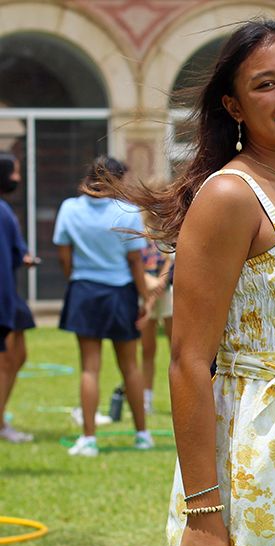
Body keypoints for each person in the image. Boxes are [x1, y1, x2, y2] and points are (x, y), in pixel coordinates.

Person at [112, 19, 275, 546]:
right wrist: (203, 512)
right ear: (235, 106)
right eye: (267, 84)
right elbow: (189, 361)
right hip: (257, 452)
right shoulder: (229, 195)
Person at [53, 156, 155, 456]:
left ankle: (89, 439)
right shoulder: (128, 211)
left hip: (84, 291)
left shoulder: (69, 208)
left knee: (90, 368)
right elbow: (135, 261)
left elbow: (63, 255)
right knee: (130, 367)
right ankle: (142, 435)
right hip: (120, 294)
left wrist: (77, 279)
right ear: (118, 180)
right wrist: (144, 299)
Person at [0, 150, 36, 443]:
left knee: (17, 356)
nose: (18, 178)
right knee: (6, 360)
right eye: (15, 172)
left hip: (11, 292)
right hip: (4, 296)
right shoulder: (2, 211)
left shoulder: (5, 210)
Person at [140, 211, 174, 414]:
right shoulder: (138, 232)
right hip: (144, 292)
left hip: (167, 293)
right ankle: (146, 400)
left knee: (175, 348)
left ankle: (178, 398)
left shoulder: (170, 230)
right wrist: (148, 291)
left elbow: (171, 260)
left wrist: (160, 284)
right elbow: (134, 261)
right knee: (147, 349)